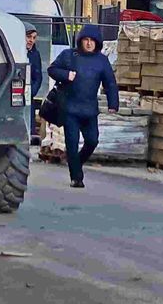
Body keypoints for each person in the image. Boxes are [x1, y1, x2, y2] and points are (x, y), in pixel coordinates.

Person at [47, 24, 119, 188]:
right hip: (70, 109)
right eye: (85, 40)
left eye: (92, 41)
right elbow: (52, 69)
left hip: (90, 110)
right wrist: (66, 75)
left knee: (92, 141)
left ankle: (76, 163)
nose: (88, 43)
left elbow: (110, 83)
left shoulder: (102, 61)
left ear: (97, 42)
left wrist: (113, 103)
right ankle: (76, 177)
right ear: (80, 41)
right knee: (71, 144)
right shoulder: (69, 55)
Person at [24, 23, 44, 145]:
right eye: (29, 37)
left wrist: (32, 92)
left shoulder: (35, 54)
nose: (31, 40)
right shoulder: (12, 50)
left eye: (34, 37)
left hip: (27, 95)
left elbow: (38, 76)